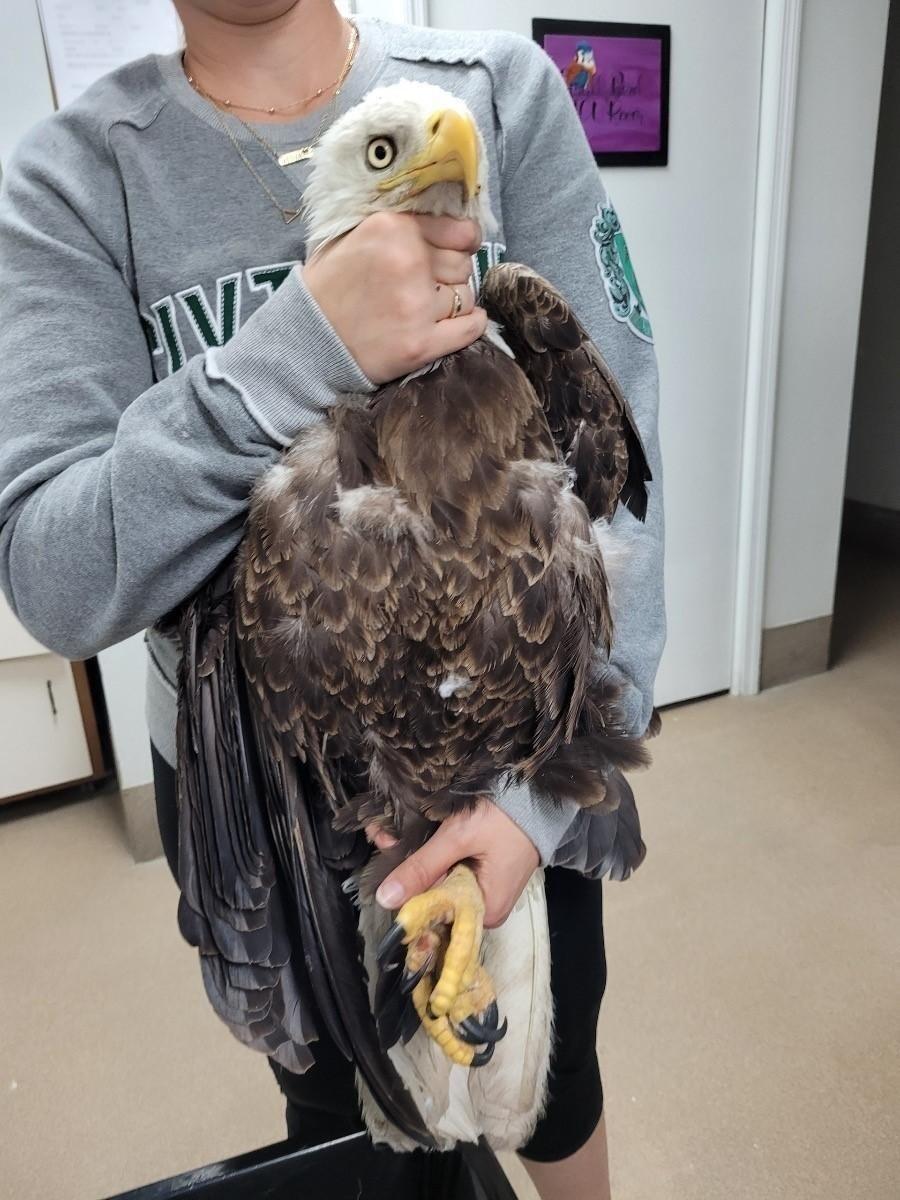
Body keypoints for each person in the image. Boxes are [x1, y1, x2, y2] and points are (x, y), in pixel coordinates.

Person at [0, 2, 665, 1197]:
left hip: (527, 748)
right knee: (363, 1129)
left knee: (558, 1092)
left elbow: (619, 483)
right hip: (275, 803)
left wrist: (531, 811)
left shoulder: (500, 94)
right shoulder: (71, 179)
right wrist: (301, 342)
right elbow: (56, 575)